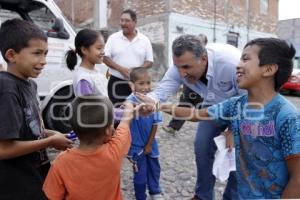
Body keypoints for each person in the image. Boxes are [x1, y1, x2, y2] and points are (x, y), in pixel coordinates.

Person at [157, 38, 300, 199]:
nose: (238, 65)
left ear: (268, 70)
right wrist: (159, 106)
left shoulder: (288, 117)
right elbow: (197, 115)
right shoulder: (234, 104)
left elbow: (297, 179)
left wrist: (231, 131)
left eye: (245, 59)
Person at [138, 34, 242, 200]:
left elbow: (250, 99)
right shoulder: (179, 69)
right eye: (178, 67)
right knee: (202, 146)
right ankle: (203, 195)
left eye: (186, 67)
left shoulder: (231, 64)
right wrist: (143, 103)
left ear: (203, 58)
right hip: (211, 107)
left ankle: (233, 196)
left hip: (242, 108)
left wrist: (234, 130)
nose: (182, 73)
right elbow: (160, 93)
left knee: (238, 153)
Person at [0, 18, 73, 200]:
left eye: (45, 54)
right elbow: (4, 149)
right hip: (16, 186)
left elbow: (28, 126)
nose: (43, 61)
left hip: (35, 176)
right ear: (11, 55)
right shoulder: (7, 88)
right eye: (37, 53)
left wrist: (49, 133)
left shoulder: (30, 85)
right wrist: (48, 142)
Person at [43, 96, 135, 200]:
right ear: (108, 131)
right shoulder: (115, 150)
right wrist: (129, 103)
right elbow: (126, 121)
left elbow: (52, 196)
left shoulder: (60, 163)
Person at [127, 67, 163, 200]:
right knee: (140, 174)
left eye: (148, 83)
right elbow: (125, 123)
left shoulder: (153, 101)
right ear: (132, 84)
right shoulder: (129, 102)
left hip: (151, 144)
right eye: (141, 83)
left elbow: (155, 124)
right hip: (135, 146)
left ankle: (155, 191)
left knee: (154, 168)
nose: (146, 87)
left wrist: (149, 144)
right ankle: (140, 196)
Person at [104, 9, 153, 106]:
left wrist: (136, 71)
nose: (123, 23)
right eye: (121, 20)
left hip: (138, 84)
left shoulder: (144, 40)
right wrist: (121, 69)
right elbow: (105, 58)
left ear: (135, 22)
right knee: (118, 112)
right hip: (116, 83)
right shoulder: (113, 38)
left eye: (126, 20)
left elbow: (150, 61)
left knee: (138, 112)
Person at [163, 34, 207, 134]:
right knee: (184, 105)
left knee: (204, 113)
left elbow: (197, 115)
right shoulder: (183, 62)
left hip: (202, 94)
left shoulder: (205, 63)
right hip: (188, 89)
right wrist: (156, 105)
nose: (182, 73)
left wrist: (157, 105)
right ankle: (173, 127)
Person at [66, 29, 108, 97]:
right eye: (99, 48)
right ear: (84, 50)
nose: (103, 52)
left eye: (103, 48)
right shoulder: (84, 79)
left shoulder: (96, 71)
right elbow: (89, 106)